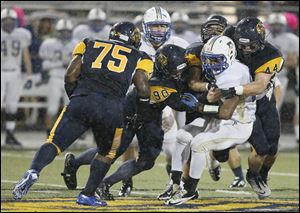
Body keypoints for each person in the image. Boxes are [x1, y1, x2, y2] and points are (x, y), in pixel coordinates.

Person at [12, 22, 153, 207]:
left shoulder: (88, 43)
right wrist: (142, 111)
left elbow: (70, 75)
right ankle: (87, 194)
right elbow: (142, 86)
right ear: (134, 39)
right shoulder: (142, 56)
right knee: (107, 153)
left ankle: (33, 171)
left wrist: (77, 97)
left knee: (53, 142)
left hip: (82, 99)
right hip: (111, 108)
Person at [164, 35, 256, 206]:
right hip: (220, 120)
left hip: (237, 124)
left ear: (229, 55)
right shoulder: (226, 69)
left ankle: (190, 190)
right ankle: (175, 182)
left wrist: (199, 107)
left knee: (199, 143)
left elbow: (225, 112)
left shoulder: (233, 75)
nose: (211, 65)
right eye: (208, 60)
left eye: (215, 60)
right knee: (183, 134)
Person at [221, 17, 284, 199]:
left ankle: (260, 175)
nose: (247, 50)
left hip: (262, 99)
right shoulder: (229, 36)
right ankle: (252, 176)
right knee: (261, 148)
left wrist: (233, 89)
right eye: (243, 46)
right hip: (243, 103)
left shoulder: (271, 54)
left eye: (251, 46)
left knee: (273, 146)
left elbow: (259, 85)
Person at [39, 18, 77, 136]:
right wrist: (60, 64)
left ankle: (68, 134)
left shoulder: (76, 44)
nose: (65, 34)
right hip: (55, 78)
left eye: (67, 31)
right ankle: (48, 134)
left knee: (70, 109)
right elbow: (44, 65)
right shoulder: (50, 43)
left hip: (71, 80)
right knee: (52, 109)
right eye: (62, 31)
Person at [1, 8, 33, 147]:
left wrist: (30, 75)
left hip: (15, 73)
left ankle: (10, 133)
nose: (8, 23)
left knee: (12, 105)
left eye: (11, 20)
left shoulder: (22, 34)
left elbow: (26, 55)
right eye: (5, 20)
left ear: (16, 21)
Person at [266, 13, 299, 143]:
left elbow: (292, 62)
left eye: (278, 25)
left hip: (280, 78)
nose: (276, 28)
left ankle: (273, 138)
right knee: (259, 107)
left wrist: (276, 62)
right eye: (273, 25)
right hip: (261, 76)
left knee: (274, 107)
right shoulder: (264, 36)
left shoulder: (291, 38)